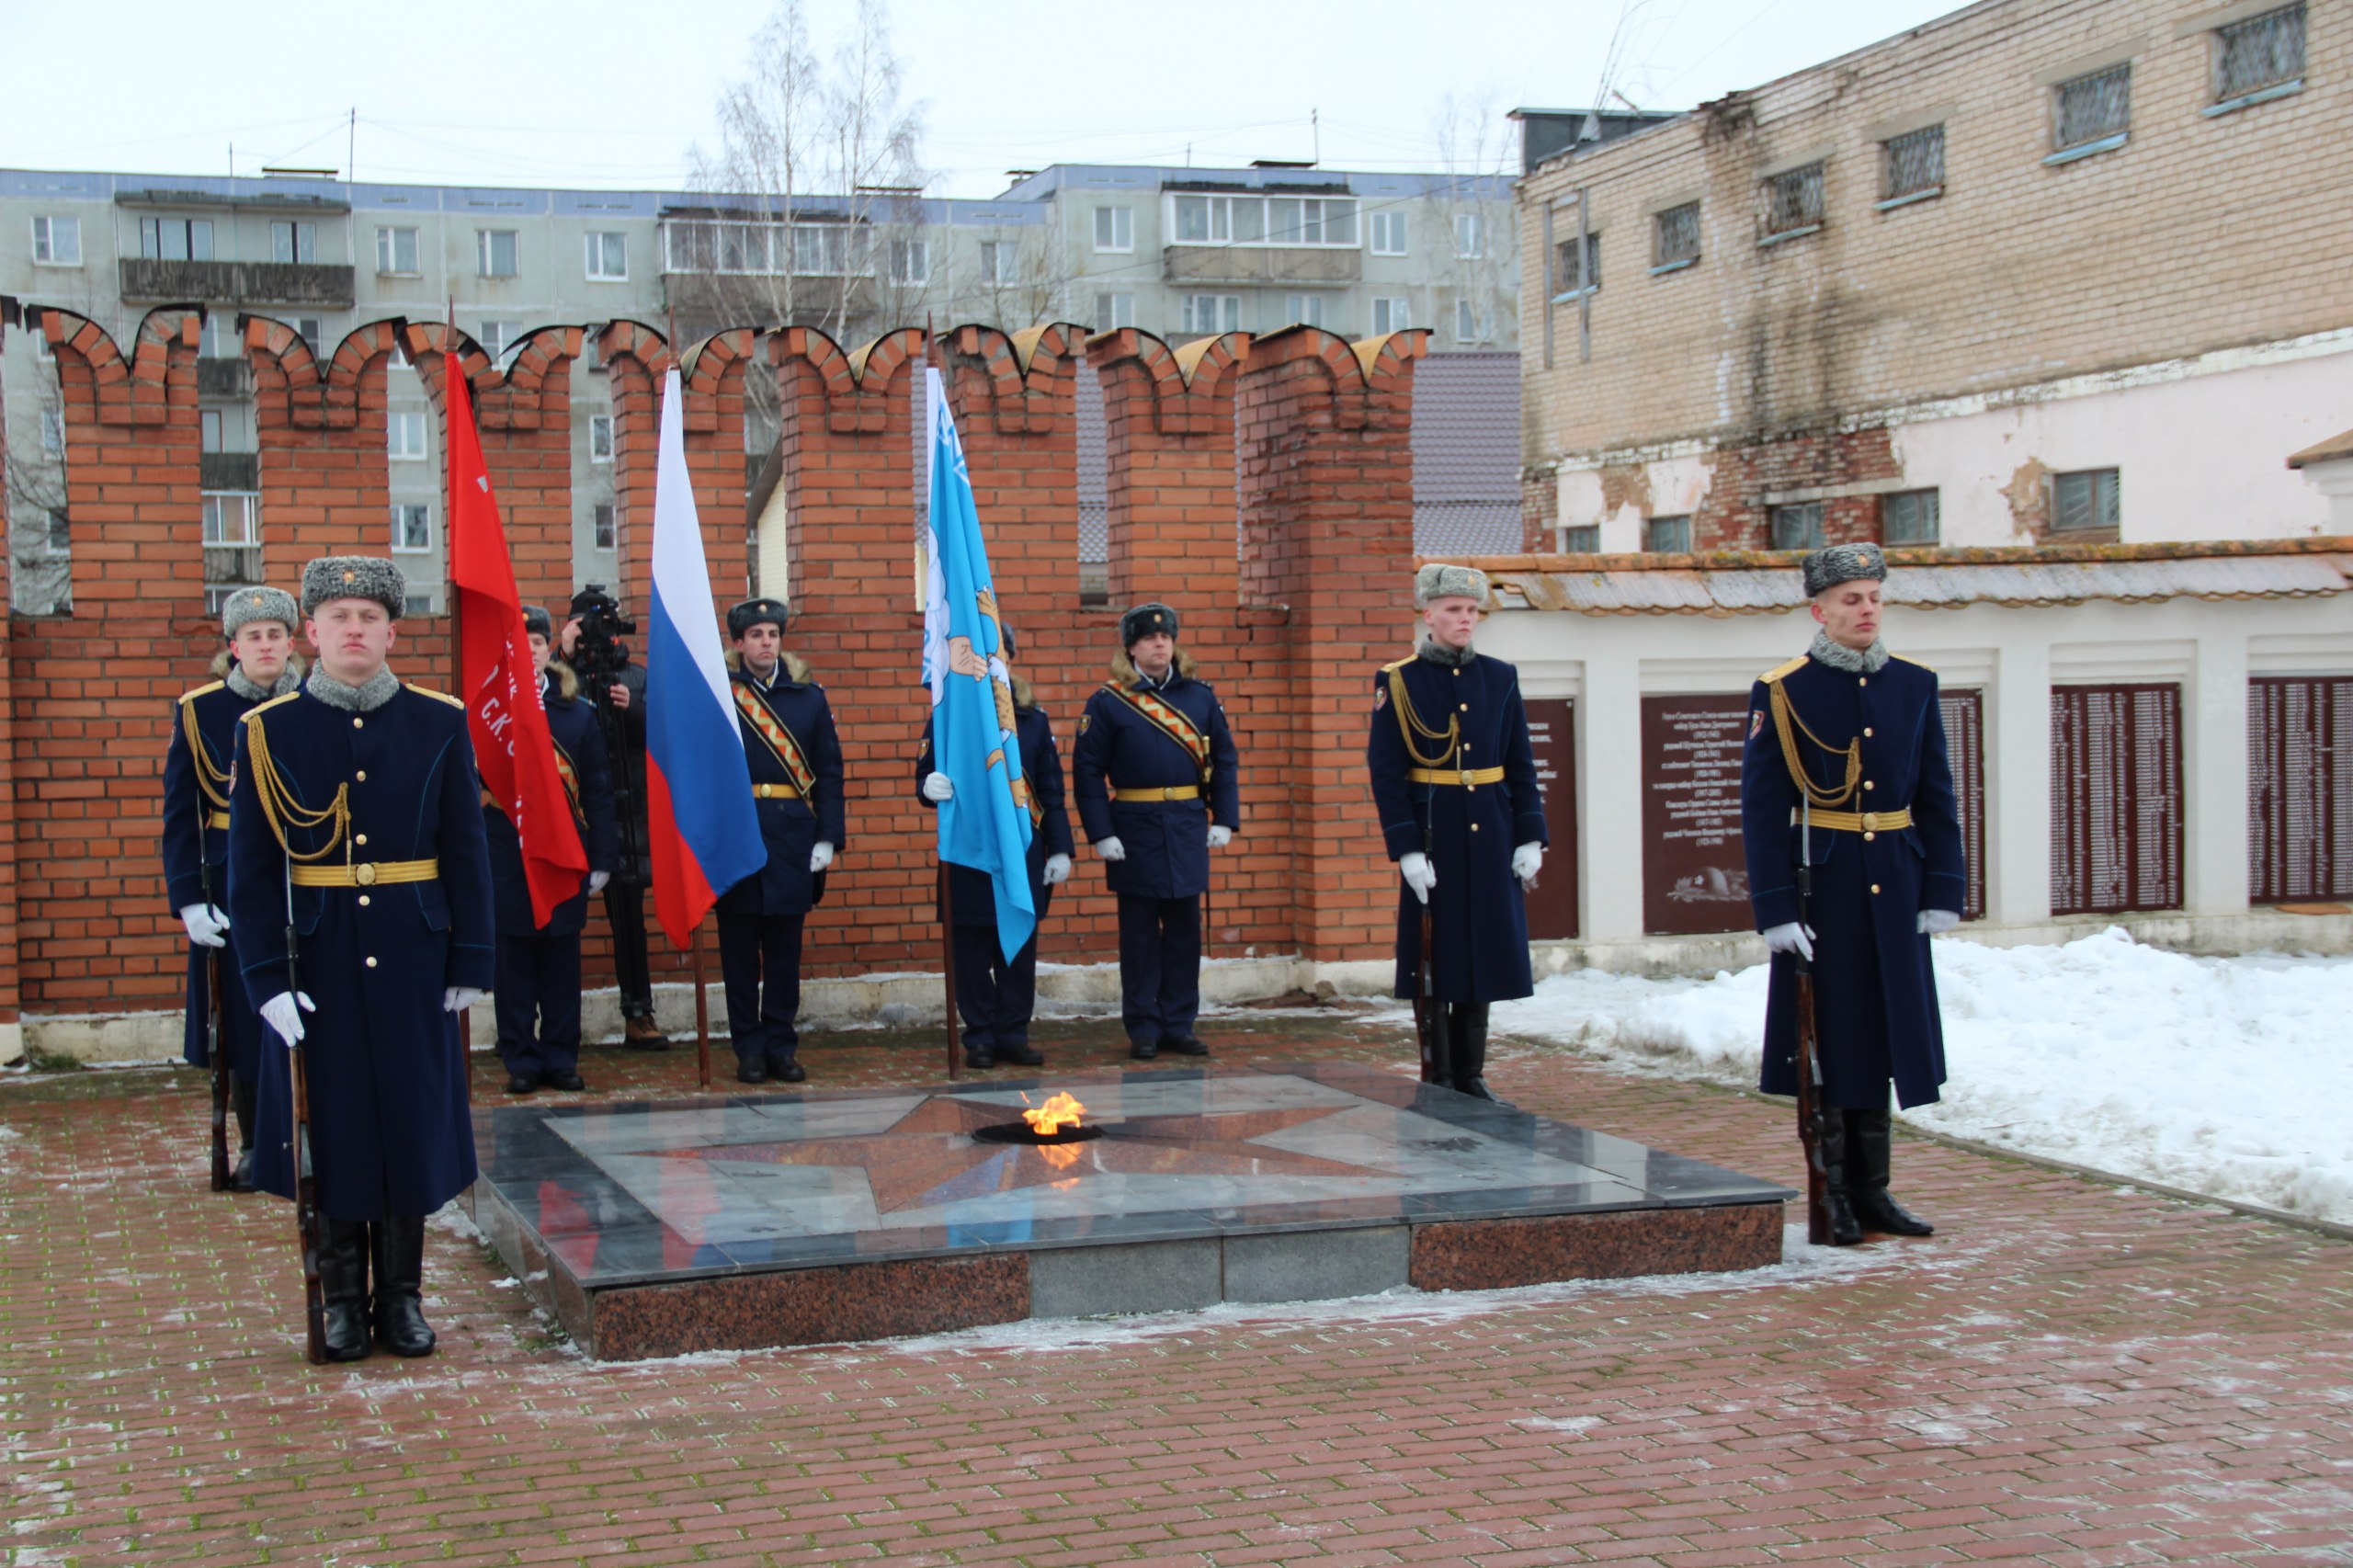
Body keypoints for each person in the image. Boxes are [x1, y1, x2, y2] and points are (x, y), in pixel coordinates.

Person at [228, 555, 495, 1359]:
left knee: (408, 1124)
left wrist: (470, 959)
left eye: (369, 618)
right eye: (338, 618)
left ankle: (402, 1298)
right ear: (311, 632)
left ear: (391, 632)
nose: (354, 630)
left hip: (415, 952)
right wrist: (266, 979)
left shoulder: (438, 721)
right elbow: (250, 868)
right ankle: (342, 1299)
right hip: (319, 958)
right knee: (334, 1124)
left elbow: (466, 849)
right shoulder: (268, 731)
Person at [1740, 541, 1964, 1245]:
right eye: (1850, 600)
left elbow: (1937, 797)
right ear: (1820, 609)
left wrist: (1943, 888)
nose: (1866, 610)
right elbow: (1761, 807)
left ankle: (1874, 1192)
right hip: (1826, 888)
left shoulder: (1913, 684)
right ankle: (1832, 1193)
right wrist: (1775, 908)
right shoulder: (1784, 691)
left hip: (1895, 882)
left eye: (1873, 598)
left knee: (1885, 1032)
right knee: (1830, 1038)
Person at [1365, 564, 1550, 1101]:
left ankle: (1471, 1074)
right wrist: (1406, 849)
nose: (1465, 620)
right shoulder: (1398, 680)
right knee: (1436, 957)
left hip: (1491, 831)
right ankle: (1439, 1075)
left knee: (1485, 952)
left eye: (1471, 611)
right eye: (1453, 610)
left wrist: (1529, 835)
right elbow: (1385, 770)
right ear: (1430, 615)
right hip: (1434, 834)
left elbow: (1521, 763)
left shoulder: (1500, 676)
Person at [162, 585, 305, 1189]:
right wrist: (189, 899)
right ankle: (257, 1141)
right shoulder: (200, 711)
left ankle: (309, 1133)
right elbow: (179, 813)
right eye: (254, 636)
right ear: (234, 647)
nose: (266, 645)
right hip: (231, 879)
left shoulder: (317, 704)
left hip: (309, 871)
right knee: (247, 1018)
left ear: (292, 642)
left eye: (276, 634)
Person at [1071, 603, 1240, 1061]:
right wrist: (1100, 832)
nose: (1159, 644)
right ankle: (1143, 1026)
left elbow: (1224, 760)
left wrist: (1224, 817)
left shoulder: (1200, 698)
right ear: (1131, 648)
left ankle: (1179, 1023)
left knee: (1186, 933)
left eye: (1165, 638)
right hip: (1135, 828)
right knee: (1140, 937)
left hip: (1186, 825)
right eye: (1148, 639)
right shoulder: (1107, 702)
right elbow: (1087, 772)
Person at [916, 625, 1074, 1070]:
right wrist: (929, 786)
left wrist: (1059, 848)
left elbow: (1051, 791)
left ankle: (1013, 1032)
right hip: (967, 851)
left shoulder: (1032, 721)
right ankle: (980, 1035)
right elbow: (924, 775)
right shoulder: (946, 718)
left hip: (1020, 849)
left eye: (997, 653)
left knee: (1017, 948)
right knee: (969, 950)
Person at [486, 606, 618, 1096]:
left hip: (565, 853)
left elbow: (599, 791)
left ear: (549, 650)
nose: (528, 652)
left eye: (537, 643)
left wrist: (603, 858)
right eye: (518, 644)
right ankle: (520, 1057)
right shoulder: (488, 715)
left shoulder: (576, 714)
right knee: (513, 964)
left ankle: (562, 1057)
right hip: (506, 852)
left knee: (561, 965)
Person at [715, 597, 843, 1085]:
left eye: (772, 634)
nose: (766, 643)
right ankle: (748, 1049)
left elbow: (830, 772)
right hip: (738, 832)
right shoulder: (722, 693)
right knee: (740, 954)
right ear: (740, 643)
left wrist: (829, 837)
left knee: (785, 954)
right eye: (756, 636)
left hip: (792, 837)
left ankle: (781, 1046)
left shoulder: (808, 697)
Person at [557, 585, 667, 1051]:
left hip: (630, 815)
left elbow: (666, 736)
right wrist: (563, 658)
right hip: (572, 814)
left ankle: (638, 1013)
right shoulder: (558, 678)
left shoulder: (638, 678)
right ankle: (541, 1021)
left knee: (629, 922)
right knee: (550, 920)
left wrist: (634, 708)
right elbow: (538, 711)